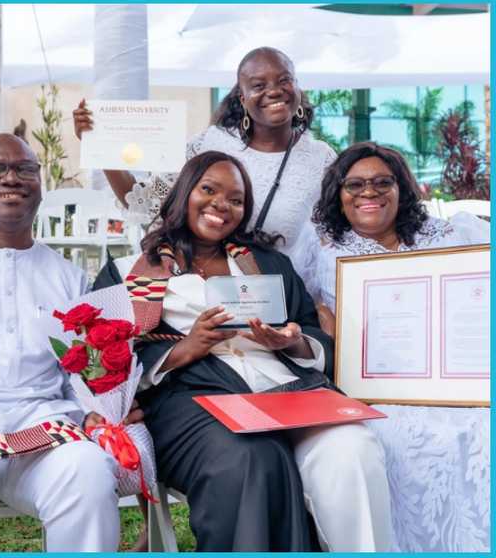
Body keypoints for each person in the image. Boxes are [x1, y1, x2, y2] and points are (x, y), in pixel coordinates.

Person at [98, 151, 392, 551]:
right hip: (193, 401)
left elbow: (315, 334)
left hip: (290, 394)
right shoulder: (128, 271)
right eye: (208, 190)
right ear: (184, 192)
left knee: (352, 448)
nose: (222, 205)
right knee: (249, 455)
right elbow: (103, 360)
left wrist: (292, 341)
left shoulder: (268, 264)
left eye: (236, 200)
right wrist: (185, 349)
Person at [291, 142, 490, 552]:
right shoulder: (322, 244)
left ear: (402, 188)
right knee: (393, 436)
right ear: (338, 192)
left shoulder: (448, 233)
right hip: (373, 388)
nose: (370, 192)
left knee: (481, 431)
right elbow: (295, 302)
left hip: (452, 384)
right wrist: (322, 319)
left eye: (384, 182)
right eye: (356, 184)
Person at [0, 133, 122, 552]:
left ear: (40, 184)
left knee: (88, 473)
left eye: (24, 169)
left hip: (41, 431)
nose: (11, 178)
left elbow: (81, 374)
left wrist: (100, 409)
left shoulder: (69, 277)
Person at [74, 46, 336, 255]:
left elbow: (339, 234)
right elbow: (144, 203)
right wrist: (99, 143)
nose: (274, 91)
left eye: (284, 80)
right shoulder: (210, 144)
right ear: (243, 99)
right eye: (258, 85)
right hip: (210, 294)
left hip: (287, 300)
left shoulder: (321, 158)